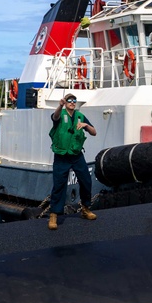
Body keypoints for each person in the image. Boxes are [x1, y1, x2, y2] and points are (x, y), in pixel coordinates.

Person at [47, 93, 98, 230]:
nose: (72, 102)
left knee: (86, 181)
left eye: (74, 100)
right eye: (69, 100)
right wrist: (60, 105)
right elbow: (55, 117)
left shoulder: (80, 116)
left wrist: (86, 125)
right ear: (66, 102)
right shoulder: (60, 114)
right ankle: (53, 215)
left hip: (76, 155)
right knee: (59, 185)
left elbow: (94, 132)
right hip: (62, 155)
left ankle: (85, 209)